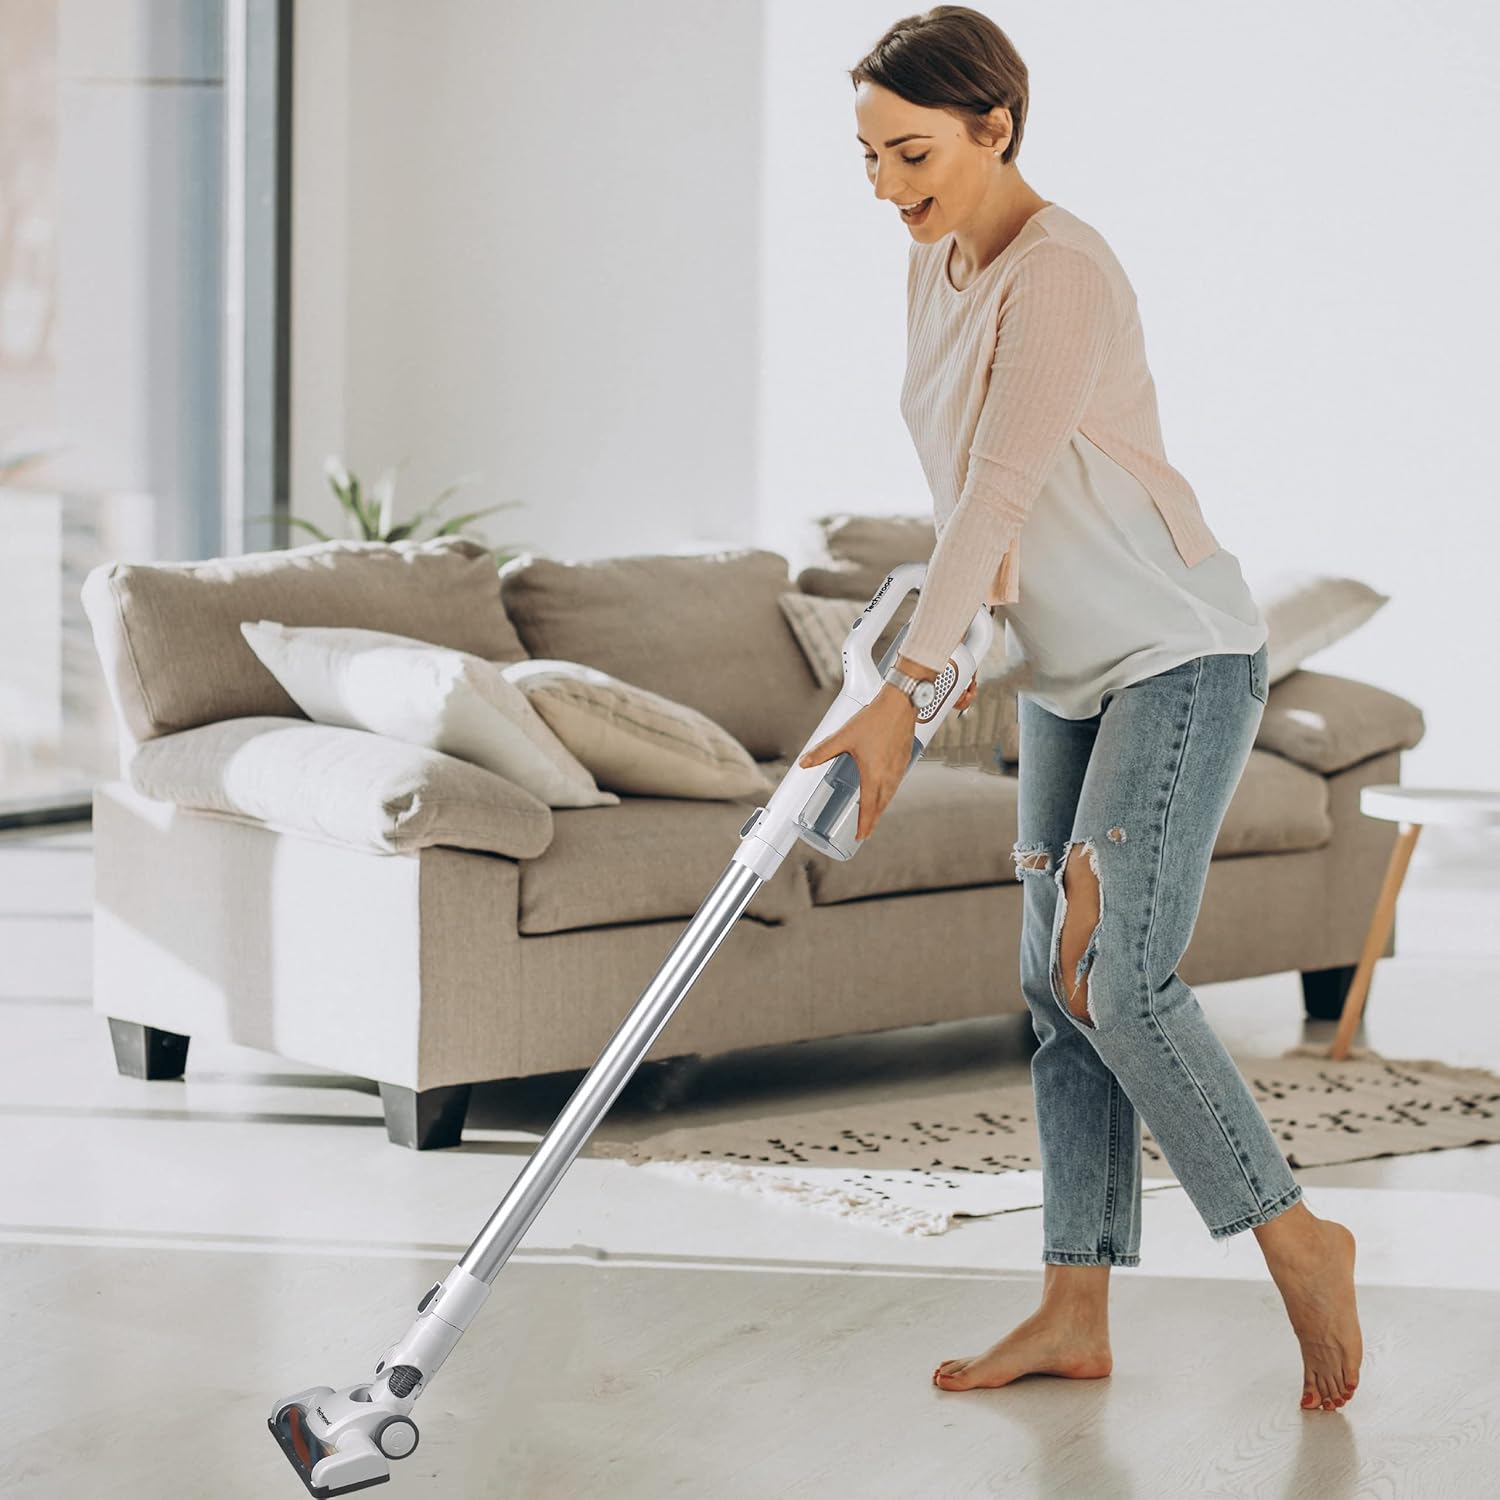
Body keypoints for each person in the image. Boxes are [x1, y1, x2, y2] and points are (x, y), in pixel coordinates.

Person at [798, 7, 1361, 1415]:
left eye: (910, 153)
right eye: (866, 157)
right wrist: (918, 676)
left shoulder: (1061, 275)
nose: (885, 186)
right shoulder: (936, 262)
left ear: (998, 127)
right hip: (1064, 674)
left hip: (1176, 655)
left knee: (1118, 974)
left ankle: (1298, 1237)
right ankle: (1073, 1306)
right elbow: (972, 520)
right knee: (1057, 997)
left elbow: (1001, 486)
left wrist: (909, 698)